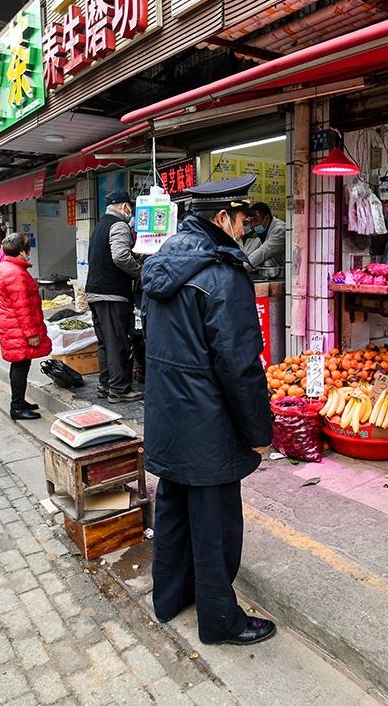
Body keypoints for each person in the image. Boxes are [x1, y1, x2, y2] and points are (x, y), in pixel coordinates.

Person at [142, 176, 276, 646]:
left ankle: (169, 599)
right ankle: (221, 622)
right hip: (209, 425)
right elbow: (240, 366)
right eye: (241, 220)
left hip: (168, 418)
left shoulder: (163, 263)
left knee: (174, 510)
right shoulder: (222, 274)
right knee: (216, 525)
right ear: (222, 218)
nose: (243, 230)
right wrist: (259, 430)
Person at [86, 190, 143, 402]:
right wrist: (140, 272)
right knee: (118, 342)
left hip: (95, 292)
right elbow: (120, 256)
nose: (131, 211)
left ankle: (105, 384)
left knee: (105, 342)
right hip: (112, 293)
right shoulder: (118, 225)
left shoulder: (99, 225)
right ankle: (120, 389)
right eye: (130, 207)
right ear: (124, 206)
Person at [0, 233, 49, 420]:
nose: (29, 251)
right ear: (21, 251)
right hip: (18, 327)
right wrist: (31, 333)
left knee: (20, 366)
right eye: (27, 247)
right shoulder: (15, 273)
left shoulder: (7, 267)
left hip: (14, 326)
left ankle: (19, 401)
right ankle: (16, 407)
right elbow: (23, 306)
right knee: (20, 366)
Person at [242, 202, 287, 280]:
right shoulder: (263, 231)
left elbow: (264, 251)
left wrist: (243, 267)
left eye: (256, 221)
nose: (253, 225)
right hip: (273, 275)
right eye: (251, 221)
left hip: (284, 275)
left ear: (266, 218)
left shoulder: (280, 230)